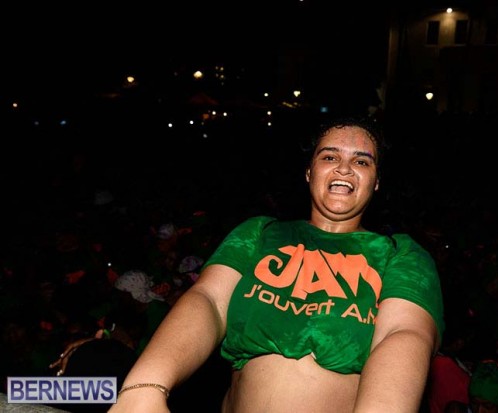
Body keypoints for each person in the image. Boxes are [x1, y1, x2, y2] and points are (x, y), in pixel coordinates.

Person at [108, 115, 445, 413]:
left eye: (362, 161)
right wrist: (144, 387)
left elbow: (404, 334)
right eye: (330, 156)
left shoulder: (400, 254)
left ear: (376, 181)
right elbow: (208, 299)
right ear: (309, 172)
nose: (344, 168)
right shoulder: (259, 233)